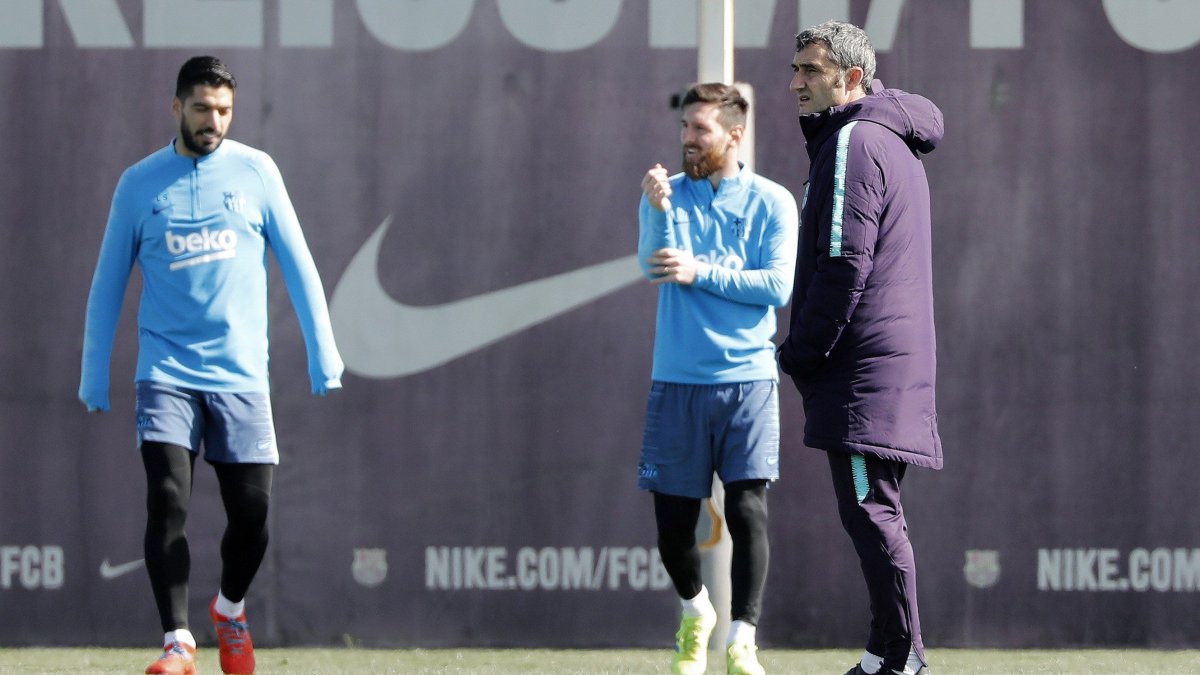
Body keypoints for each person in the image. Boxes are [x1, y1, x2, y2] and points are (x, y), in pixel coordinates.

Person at [79, 56, 344, 675]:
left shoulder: (257, 172)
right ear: (176, 108)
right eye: (201, 109)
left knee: (252, 517)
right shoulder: (138, 184)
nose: (213, 121)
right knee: (168, 498)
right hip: (165, 373)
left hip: (241, 377)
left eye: (223, 110)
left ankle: (228, 610)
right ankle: (177, 641)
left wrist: (322, 354)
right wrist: (94, 372)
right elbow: (106, 284)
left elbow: (300, 266)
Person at [778, 21, 944, 675]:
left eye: (810, 71)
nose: (795, 82)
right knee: (874, 510)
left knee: (872, 512)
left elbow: (846, 264)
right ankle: (884, 654)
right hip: (875, 361)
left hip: (861, 365)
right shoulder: (874, 137)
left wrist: (802, 351)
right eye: (795, 69)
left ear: (851, 79)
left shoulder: (855, 140)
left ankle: (902, 659)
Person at [637, 82, 798, 675]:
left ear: (734, 134)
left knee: (748, 509)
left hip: (748, 381)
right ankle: (694, 612)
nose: (687, 140)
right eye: (684, 128)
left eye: (699, 129)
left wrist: (699, 269)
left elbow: (777, 287)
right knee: (672, 525)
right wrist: (657, 214)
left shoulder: (774, 202)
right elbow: (655, 268)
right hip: (677, 381)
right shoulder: (665, 195)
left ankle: (742, 639)